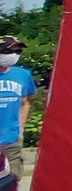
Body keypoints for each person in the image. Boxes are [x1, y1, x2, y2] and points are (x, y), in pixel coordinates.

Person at [0, 36, 38, 181]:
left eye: (18, 51)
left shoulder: (22, 75)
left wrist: (21, 128)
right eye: (9, 51)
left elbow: (25, 103)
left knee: (13, 177)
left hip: (11, 135)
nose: (13, 56)